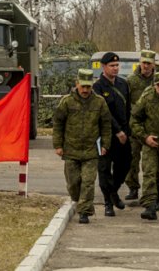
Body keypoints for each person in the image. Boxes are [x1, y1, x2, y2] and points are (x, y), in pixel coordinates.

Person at [52, 69, 111, 224]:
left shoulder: (99, 102)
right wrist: (58, 145)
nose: (85, 90)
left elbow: (106, 125)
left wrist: (105, 144)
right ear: (76, 84)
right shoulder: (67, 102)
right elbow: (58, 123)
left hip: (91, 150)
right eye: (82, 86)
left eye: (88, 87)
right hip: (71, 149)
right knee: (73, 183)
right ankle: (79, 200)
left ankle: (84, 211)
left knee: (88, 181)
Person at [130, 60, 159, 221]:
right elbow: (135, 119)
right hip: (151, 143)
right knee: (149, 174)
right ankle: (150, 206)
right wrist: (144, 137)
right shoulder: (147, 96)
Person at [92, 52, 132, 217]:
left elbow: (127, 108)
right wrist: (117, 131)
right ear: (104, 67)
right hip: (105, 135)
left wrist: (126, 131)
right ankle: (108, 203)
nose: (115, 68)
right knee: (104, 169)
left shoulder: (123, 84)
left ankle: (113, 191)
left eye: (117, 65)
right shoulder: (98, 87)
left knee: (125, 165)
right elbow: (104, 113)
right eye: (112, 66)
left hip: (123, 133)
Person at [125, 49, 156, 201]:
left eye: (149, 63)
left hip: (153, 125)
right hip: (135, 125)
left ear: (153, 64)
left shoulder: (158, 80)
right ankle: (133, 187)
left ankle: (153, 191)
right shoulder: (131, 80)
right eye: (144, 63)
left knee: (151, 163)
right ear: (140, 63)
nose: (146, 66)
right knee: (132, 159)